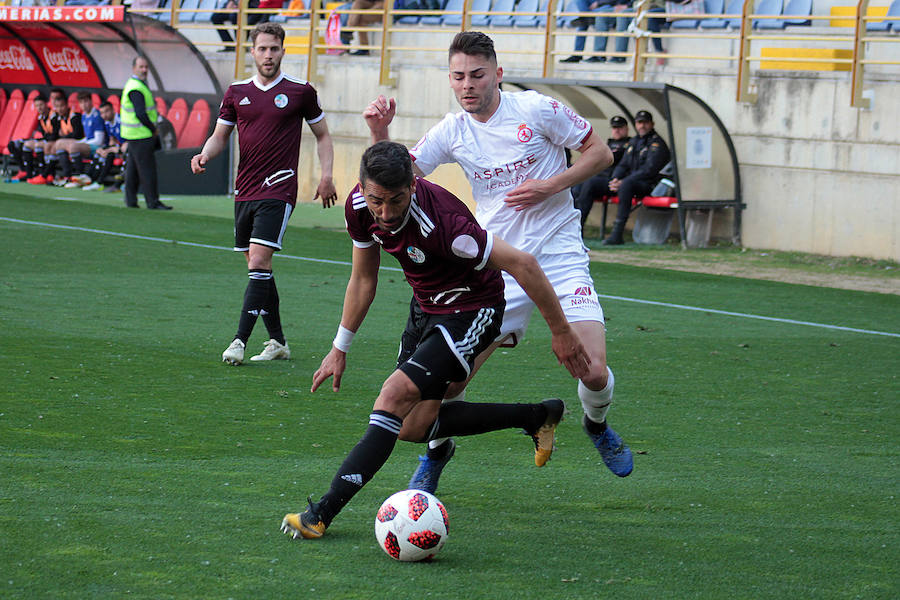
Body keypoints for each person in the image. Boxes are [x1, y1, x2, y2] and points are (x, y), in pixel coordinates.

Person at [364, 31, 633, 497]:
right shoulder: (453, 130)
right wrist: (380, 133)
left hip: (558, 256)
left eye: (477, 74)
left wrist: (551, 185)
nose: (467, 84)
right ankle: (437, 453)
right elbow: (399, 175)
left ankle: (595, 424)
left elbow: (601, 154)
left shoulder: (537, 110)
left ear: (498, 74)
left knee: (591, 370)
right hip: (495, 265)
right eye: (458, 76)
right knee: (448, 384)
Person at [280, 141, 591, 539]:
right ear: (361, 186)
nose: (386, 213)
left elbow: (523, 264)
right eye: (378, 200)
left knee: (392, 397)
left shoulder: (447, 225)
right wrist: (339, 347)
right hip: (425, 307)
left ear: (414, 183)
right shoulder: (359, 206)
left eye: (396, 200)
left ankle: (320, 514)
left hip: (473, 308)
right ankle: (536, 415)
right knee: (410, 427)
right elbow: (363, 278)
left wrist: (562, 332)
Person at [190, 22, 338, 365]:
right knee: (259, 269)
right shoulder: (236, 91)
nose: (268, 55)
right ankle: (278, 342)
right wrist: (204, 154)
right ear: (252, 51)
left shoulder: (301, 91)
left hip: (279, 187)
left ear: (283, 51)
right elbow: (220, 135)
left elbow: (324, 136)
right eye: (263, 49)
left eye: (274, 48)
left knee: (259, 260)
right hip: (245, 190)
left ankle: (239, 341)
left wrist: (326, 175)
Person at [602, 109, 670, 245]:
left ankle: (617, 233)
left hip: (649, 185)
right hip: (630, 182)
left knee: (626, 186)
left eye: (645, 123)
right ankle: (578, 230)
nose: (642, 126)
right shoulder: (634, 141)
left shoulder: (657, 143)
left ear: (652, 124)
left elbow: (649, 170)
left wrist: (624, 181)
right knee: (591, 183)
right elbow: (623, 165)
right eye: (639, 122)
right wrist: (615, 179)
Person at [121, 55, 171, 210]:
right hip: (141, 134)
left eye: (146, 67)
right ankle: (152, 202)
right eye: (141, 67)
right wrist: (153, 128)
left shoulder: (134, 84)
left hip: (133, 134)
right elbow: (141, 113)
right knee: (147, 170)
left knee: (133, 169)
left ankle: (130, 200)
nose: (144, 70)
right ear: (134, 68)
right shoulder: (136, 87)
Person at [572, 115, 630, 230]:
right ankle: (571, 224)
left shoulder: (630, 145)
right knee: (576, 185)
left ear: (626, 129)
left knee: (590, 184)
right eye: (614, 128)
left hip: (613, 181)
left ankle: (579, 226)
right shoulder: (608, 144)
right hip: (599, 177)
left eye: (620, 127)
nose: (616, 130)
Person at [27, 93, 83, 186]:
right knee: (53, 146)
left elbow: (77, 134)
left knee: (55, 144)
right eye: (57, 107)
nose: (60, 109)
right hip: (65, 143)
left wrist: (63, 137)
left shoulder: (74, 116)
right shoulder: (59, 117)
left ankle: (45, 175)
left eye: (62, 106)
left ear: (67, 105)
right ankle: (51, 175)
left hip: (79, 143)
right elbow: (53, 134)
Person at [61, 91, 106, 188]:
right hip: (89, 145)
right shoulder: (84, 116)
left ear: (91, 101)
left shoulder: (97, 116)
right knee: (60, 143)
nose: (84, 105)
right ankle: (67, 176)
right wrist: (80, 142)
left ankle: (79, 177)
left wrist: (80, 144)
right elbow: (88, 137)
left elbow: (99, 141)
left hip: (99, 147)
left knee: (73, 147)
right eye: (81, 103)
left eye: (86, 101)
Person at [7, 93, 53, 182]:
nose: (39, 108)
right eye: (37, 106)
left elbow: (53, 134)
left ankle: (42, 174)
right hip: (45, 140)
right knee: (13, 144)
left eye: (41, 105)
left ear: (46, 104)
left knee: (32, 145)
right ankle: (25, 172)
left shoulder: (52, 116)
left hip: (51, 141)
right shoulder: (41, 117)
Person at [82, 101, 126, 192]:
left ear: (113, 110)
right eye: (102, 113)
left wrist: (114, 149)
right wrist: (105, 149)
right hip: (119, 148)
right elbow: (112, 141)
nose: (104, 115)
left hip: (128, 148)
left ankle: (101, 182)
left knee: (109, 155)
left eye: (107, 111)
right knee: (99, 152)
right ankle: (91, 179)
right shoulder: (107, 123)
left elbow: (128, 141)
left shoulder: (121, 120)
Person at [212, 0, 279, 52]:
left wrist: (238, 5)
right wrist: (231, 2)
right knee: (215, 17)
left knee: (235, 16)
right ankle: (229, 45)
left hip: (253, 8)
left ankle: (240, 46)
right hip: (238, 8)